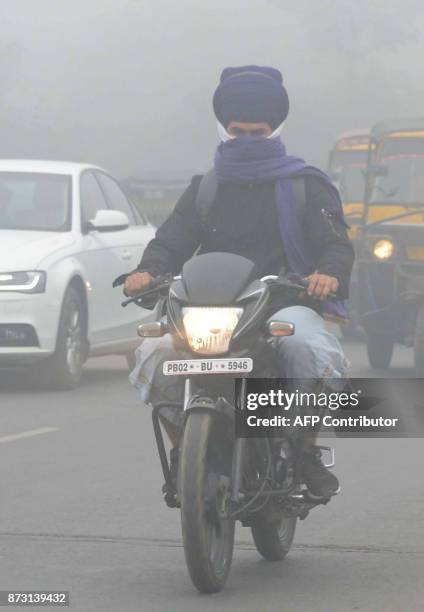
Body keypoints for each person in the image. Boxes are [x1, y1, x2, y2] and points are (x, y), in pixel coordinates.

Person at [124, 65, 354, 499]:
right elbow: (170, 240)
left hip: (283, 303)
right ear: (223, 129)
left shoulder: (306, 185)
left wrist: (328, 275)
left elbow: (336, 244)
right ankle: (185, 454)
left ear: (275, 128)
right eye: (237, 130)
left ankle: (301, 447)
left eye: (257, 130)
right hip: (208, 307)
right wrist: (147, 271)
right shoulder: (205, 188)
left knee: (308, 347)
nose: (247, 138)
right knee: (154, 353)